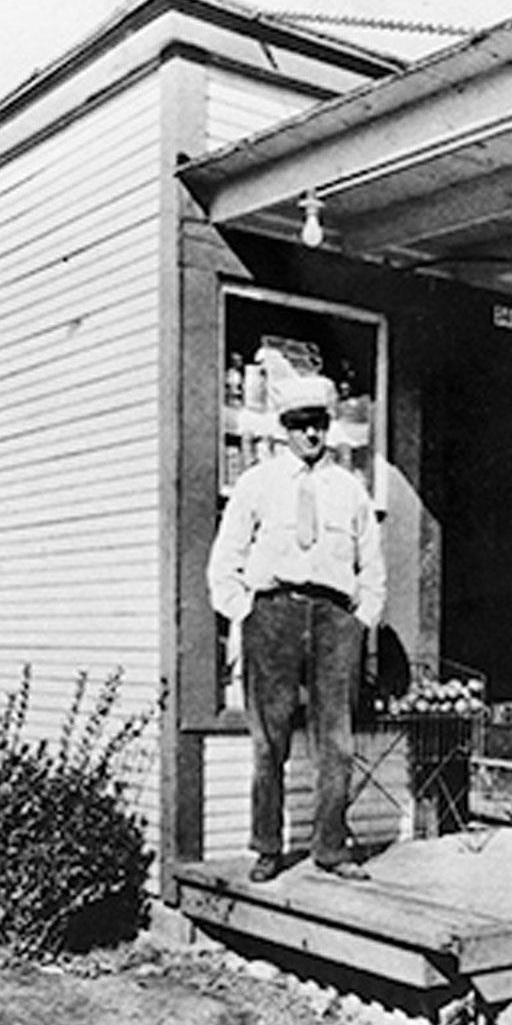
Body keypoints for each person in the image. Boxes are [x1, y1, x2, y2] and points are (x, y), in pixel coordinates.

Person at [207, 361, 386, 883]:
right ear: (284, 428)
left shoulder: (348, 488)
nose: (311, 432)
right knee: (271, 740)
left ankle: (330, 847)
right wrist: (249, 615)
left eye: (319, 423)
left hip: (333, 619)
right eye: (301, 422)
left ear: (328, 427)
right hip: (274, 616)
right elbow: (225, 562)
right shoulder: (257, 484)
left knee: (337, 741)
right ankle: (267, 846)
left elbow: (371, 566)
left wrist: (360, 621)